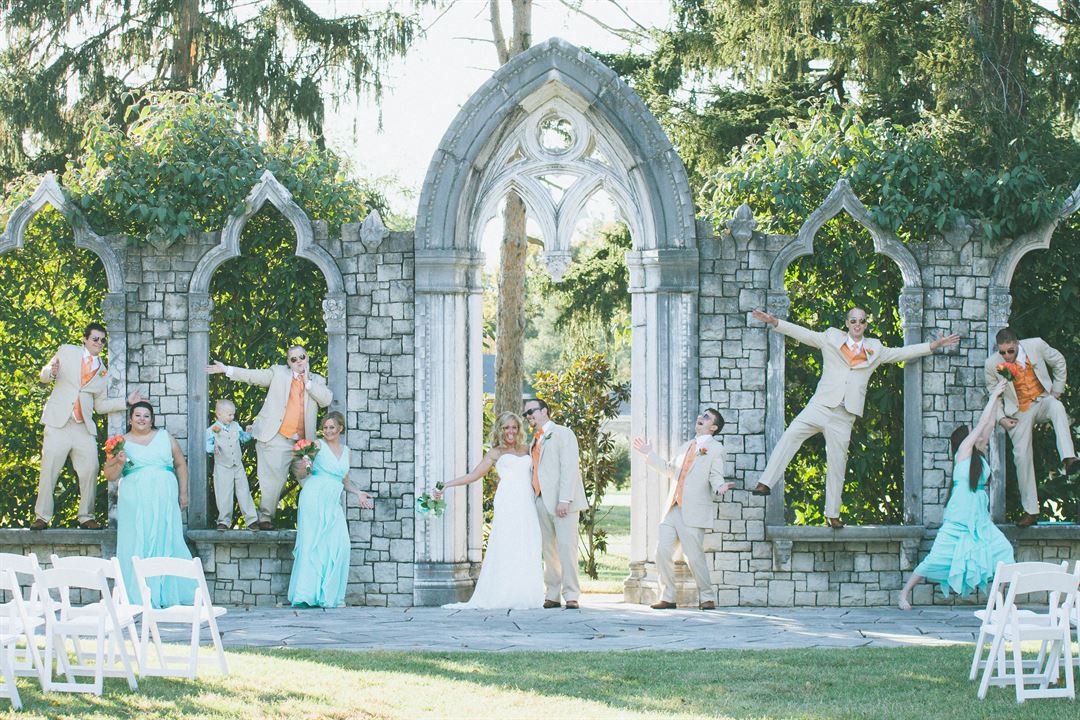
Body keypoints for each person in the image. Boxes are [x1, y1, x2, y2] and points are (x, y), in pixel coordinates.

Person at [750, 307, 960, 528]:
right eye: (853, 321)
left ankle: (832, 514)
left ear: (866, 324)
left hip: (844, 415)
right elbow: (805, 334)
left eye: (861, 321)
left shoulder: (875, 348)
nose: (857, 324)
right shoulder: (831, 337)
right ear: (847, 323)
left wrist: (933, 345)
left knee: (838, 465)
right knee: (790, 435)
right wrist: (775, 321)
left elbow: (901, 353)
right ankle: (766, 483)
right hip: (820, 406)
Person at [898, 380, 1015, 610]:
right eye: (971, 434)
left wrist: (998, 401)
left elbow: (989, 424)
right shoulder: (963, 452)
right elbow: (982, 424)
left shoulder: (979, 454)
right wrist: (993, 396)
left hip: (979, 518)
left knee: (1004, 550)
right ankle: (904, 594)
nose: (976, 436)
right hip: (960, 515)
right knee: (935, 558)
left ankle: (998, 599)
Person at [206, 345, 332, 529]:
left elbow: (326, 400)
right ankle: (265, 518)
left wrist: (308, 383)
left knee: (311, 480)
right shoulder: (279, 373)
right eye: (293, 359)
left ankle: (321, 519)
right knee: (272, 484)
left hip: (304, 442)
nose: (299, 361)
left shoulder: (317, 380)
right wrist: (227, 369)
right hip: (277, 438)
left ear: (307, 357)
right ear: (288, 363)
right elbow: (253, 376)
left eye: (302, 357)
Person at [34, 322, 144, 529]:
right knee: (49, 470)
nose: (99, 343)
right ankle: (42, 517)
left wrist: (127, 402)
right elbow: (44, 374)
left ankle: (86, 516)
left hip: (83, 427)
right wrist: (52, 372)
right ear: (85, 339)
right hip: (58, 423)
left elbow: (100, 406)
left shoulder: (103, 372)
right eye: (95, 339)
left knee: (91, 469)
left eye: (103, 340)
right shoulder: (67, 351)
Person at [436, 412, 543, 609]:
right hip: (507, 501)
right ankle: (504, 593)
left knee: (527, 543)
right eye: (506, 427)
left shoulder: (527, 449)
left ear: (519, 429)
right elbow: (474, 475)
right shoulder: (495, 452)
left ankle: (524, 593)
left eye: (514, 427)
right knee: (506, 544)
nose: (511, 431)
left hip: (527, 502)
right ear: (500, 430)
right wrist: (447, 485)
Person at [634, 409, 734, 610]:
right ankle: (668, 597)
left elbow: (715, 475)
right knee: (661, 551)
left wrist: (719, 487)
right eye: (701, 415)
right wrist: (648, 454)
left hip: (694, 510)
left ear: (713, 427)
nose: (700, 418)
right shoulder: (685, 446)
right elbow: (670, 470)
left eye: (706, 417)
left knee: (694, 557)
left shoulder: (716, 449)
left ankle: (707, 597)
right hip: (672, 508)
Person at [984, 328, 1078, 527]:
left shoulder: (1036, 345)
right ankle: (1031, 511)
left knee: (1057, 406)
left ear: (1017, 343)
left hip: (1042, 400)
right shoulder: (992, 364)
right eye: (1002, 352)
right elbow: (994, 394)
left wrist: (1057, 390)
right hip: (1019, 411)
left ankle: (1069, 458)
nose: (1006, 355)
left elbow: (1059, 361)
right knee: (1021, 457)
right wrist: (1001, 419)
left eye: (1010, 351)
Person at [104, 402, 196, 607]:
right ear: (130, 419)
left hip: (164, 498)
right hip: (134, 500)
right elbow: (110, 475)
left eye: (146, 416)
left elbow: (180, 464)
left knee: (166, 537)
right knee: (137, 539)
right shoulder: (120, 443)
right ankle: (138, 595)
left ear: (152, 419)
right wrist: (119, 462)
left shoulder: (165, 437)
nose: (142, 419)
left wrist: (183, 493)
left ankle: (166, 593)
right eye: (137, 415)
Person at [287, 411, 373, 608]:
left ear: (340, 428)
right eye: (325, 427)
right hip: (313, 496)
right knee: (312, 544)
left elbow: (344, 480)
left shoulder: (347, 451)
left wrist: (358, 493)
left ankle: (329, 596)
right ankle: (306, 595)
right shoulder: (317, 445)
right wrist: (304, 463)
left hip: (332, 500)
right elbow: (301, 472)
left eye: (332, 427)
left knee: (342, 545)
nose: (328, 431)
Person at [522, 398, 587, 609]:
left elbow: (569, 467)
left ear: (544, 411)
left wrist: (564, 499)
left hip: (563, 503)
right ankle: (552, 594)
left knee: (567, 549)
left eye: (531, 411)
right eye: (525, 414)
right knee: (549, 551)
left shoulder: (563, 433)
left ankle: (571, 595)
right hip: (541, 500)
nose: (528, 416)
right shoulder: (535, 440)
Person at [206, 399, 258, 531]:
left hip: (237, 465)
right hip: (222, 467)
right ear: (219, 415)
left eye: (233, 414)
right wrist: (213, 448)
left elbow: (243, 439)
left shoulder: (235, 426)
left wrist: (248, 433)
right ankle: (224, 521)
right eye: (229, 414)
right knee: (224, 493)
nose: (232, 417)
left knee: (244, 491)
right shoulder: (212, 429)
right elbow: (206, 445)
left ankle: (251, 520)